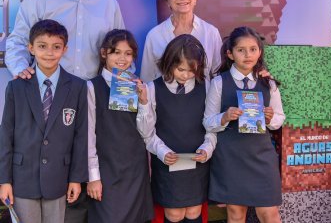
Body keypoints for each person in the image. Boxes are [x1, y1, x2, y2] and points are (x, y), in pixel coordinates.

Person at [0, 19, 88, 223]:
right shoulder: (17, 87)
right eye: (42, 46)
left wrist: (76, 178)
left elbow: (80, 136)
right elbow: (6, 136)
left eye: (56, 47)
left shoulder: (77, 87)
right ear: (31, 48)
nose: (49, 52)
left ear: (65, 49)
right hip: (22, 178)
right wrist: (4, 180)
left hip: (58, 178)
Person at [203, 26, 285, 223]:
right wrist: (225, 116)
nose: (248, 55)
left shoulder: (268, 83)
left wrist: (270, 118)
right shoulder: (219, 83)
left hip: (261, 157)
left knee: (269, 213)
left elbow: (279, 119)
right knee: (236, 214)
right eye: (241, 50)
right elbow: (207, 121)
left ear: (260, 51)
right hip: (231, 157)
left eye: (253, 49)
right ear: (230, 54)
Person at [137, 34, 216, 223]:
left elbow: (212, 126)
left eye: (191, 70)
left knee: (194, 212)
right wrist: (163, 152)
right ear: (168, 63)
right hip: (167, 163)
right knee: (174, 214)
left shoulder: (206, 87)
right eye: (181, 69)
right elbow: (146, 133)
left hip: (197, 163)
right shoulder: (153, 88)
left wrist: (207, 149)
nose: (186, 75)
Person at [87, 29, 153, 223]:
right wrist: (93, 177)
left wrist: (144, 103)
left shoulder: (140, 86)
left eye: (128, 53)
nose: (122, 58)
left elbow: (146, 132)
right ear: (104, 53)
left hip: (135, 170)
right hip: (107, 170)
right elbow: (88, 135)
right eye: (116, 52)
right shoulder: (92, 87)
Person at [140, 0, 222, 82]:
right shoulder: (154, 35)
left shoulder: (211, 33)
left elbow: (219, 77)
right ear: (167, 0)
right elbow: (147, 79)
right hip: (165, 99)